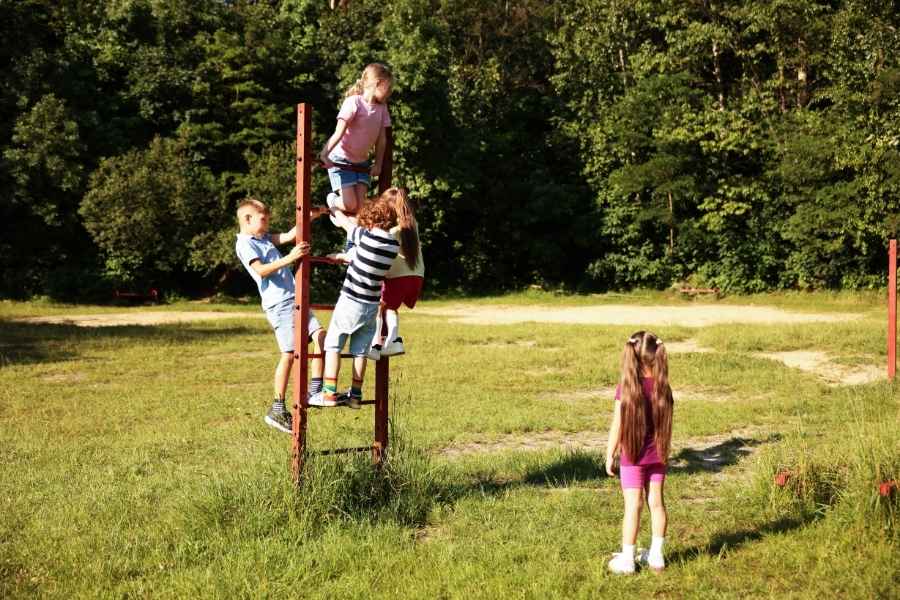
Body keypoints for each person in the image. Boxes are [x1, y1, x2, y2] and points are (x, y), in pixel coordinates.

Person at [234, 198, 328, 433]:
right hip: (280, 304)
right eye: (263, 219)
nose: (266, 224)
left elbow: (288, 236)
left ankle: (315, 390)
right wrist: (290, 258)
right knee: (289, 354)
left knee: (321, 337)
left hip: (296, 299)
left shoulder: (263, 238)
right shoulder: (245, 244)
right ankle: (277, 407)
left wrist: (311, 217)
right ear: (247, 219)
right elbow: (261, 271)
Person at [309, 194, 399, 408]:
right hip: (371, 305)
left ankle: (329, 393)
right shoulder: (392, 246)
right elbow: (362, 257)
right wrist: (343, 256)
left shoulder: (365, 236)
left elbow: (347, 224)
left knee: (332, 344)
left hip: (351, 301)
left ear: (373, 216)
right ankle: (355, 395)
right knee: (360, 351)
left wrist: (333, 207)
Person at [605, 331, 675, 574]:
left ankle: (627, 559)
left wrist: (609, 453)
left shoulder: (626, 388)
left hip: (632, 457)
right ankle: (656, 557)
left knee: (632, 506)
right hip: (658, 456)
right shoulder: (664, 388)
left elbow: (618, 424)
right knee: (656, 503)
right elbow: (667, 424)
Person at [319, 63, 393, 220]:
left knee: (360, 207)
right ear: (378, 83)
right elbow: (339, 132)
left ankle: (350, 235)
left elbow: (382, 140)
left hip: (361, 163)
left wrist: (378, 164)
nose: (390, 92)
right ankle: (332, 201)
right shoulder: (354, 102)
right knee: (349, 204)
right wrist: (325, 154)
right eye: (388, 87)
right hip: (341, 159)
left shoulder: (382, 108)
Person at [367, 187, 424, 360]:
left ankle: (375, 344)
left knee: (378, 305)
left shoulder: (392, 231)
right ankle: (394, 340)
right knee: (390, 306)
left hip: (399, 276)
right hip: (417, 276)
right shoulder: (413, 224)